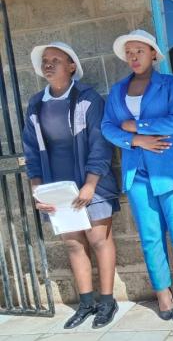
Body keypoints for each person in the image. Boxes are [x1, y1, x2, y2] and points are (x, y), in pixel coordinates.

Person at [101, 29, 173, 322]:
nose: (133, 57)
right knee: (150, 237)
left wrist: (139, 126)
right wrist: (136, 140)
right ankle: (162, 292)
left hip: (171, 170)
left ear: (153, 54)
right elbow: (107, 126)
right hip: (136, 171)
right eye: (129, 52)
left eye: (139, 51)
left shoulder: (169, 83)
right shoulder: (117, 90)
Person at [23, 42, 120, 329]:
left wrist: (90, 185)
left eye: (56, 60)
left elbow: (100, 145)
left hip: (93, 184)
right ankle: (86, 302)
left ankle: (107, 301)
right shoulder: (35, 104)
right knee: (73, 245)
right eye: (45, 61)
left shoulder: (89, 99)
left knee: (99, 240)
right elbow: (31, 151)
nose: (49, 64)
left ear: (72, 66)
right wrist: (37, 190)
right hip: (57, 188)